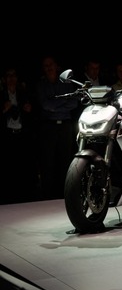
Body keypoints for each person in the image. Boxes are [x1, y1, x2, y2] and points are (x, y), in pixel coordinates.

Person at [35, 55, 80, 199]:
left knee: (65, 161)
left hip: (65, 126)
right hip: (48, 127)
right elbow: (46, 105)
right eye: (46, 65)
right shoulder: (42, 84)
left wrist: (55, 104)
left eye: (51, 64)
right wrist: (63, 101)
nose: (49, 68)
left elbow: (74, 103)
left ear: (57, 66)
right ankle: (47, 197)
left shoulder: (66, 82)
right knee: (48, 163)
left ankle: (64, 195)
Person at [0, 65, 39, 203]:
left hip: (22, 136)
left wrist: (29, 110)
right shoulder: (1, 95)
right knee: (8, 168)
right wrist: (4, 110)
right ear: (4, 79)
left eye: (13, 75)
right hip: (7, 137)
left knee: (23, 168)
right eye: (8, 75)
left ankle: (24, 198)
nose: (11, 78)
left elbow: (33, 113)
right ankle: (9, 198)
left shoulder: (23, 94)